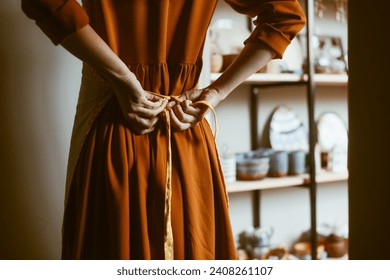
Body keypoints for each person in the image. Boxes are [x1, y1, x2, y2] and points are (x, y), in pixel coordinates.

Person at [21, 0, 305, 260]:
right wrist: (215, 92)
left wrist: (121, 77)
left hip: (117, 127)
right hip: (183, 130)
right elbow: (286, 16)